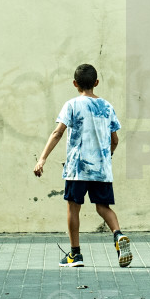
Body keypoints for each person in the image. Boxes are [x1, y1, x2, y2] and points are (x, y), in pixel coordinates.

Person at [33, 64, 132, 268]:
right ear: (96, 83)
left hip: (77, 168)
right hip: (101, 168)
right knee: (103, 207)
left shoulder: (71, 105)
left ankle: (75, 254)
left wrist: (42, 158)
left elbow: (57, 133)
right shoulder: (107, 107)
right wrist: (108, 156)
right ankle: (118, 234)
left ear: (75, 84)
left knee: (73, 207)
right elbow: (115, 140)